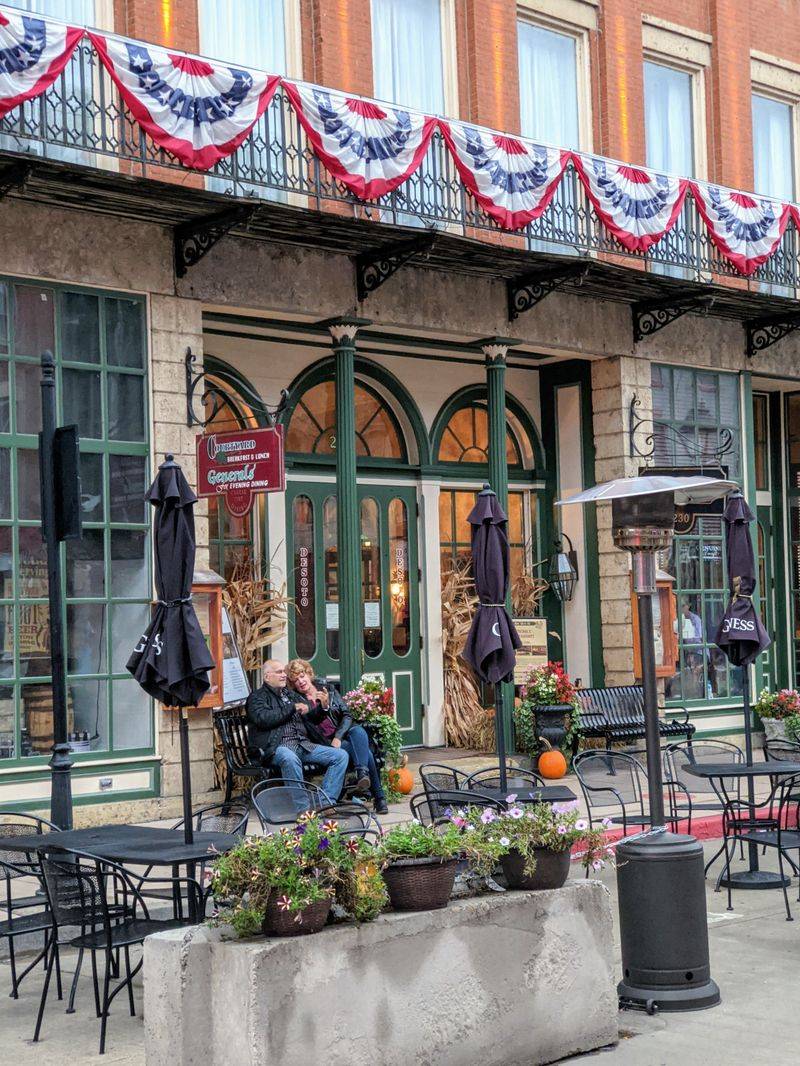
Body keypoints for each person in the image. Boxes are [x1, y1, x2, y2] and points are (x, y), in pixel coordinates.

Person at [287, 659, 389, 815]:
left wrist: (339, 737)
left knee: (358, 731)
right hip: (324, 743)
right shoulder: (297, 700)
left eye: (302, 676)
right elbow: (310, 721)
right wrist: (324, 707)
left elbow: (347, 715)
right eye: (295, 680)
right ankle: (378, 796)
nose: (300, 682)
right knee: (366, 753)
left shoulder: (328, 689)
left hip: (341, 736)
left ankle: (362, 773)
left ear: (308, 673)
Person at [245, 660, 349, 809]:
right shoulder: (257, 697)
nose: (283, 675)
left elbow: (311, 719)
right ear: (267, 676)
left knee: (340, 756)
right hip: (276, 747)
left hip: (303, 745)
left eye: (284, 672)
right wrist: (291, 708)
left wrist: (323, 707)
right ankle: (304, 811)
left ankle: (325, 804)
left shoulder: (290, 694)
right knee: (289, 757)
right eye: (279, 672)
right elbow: (264, 719)